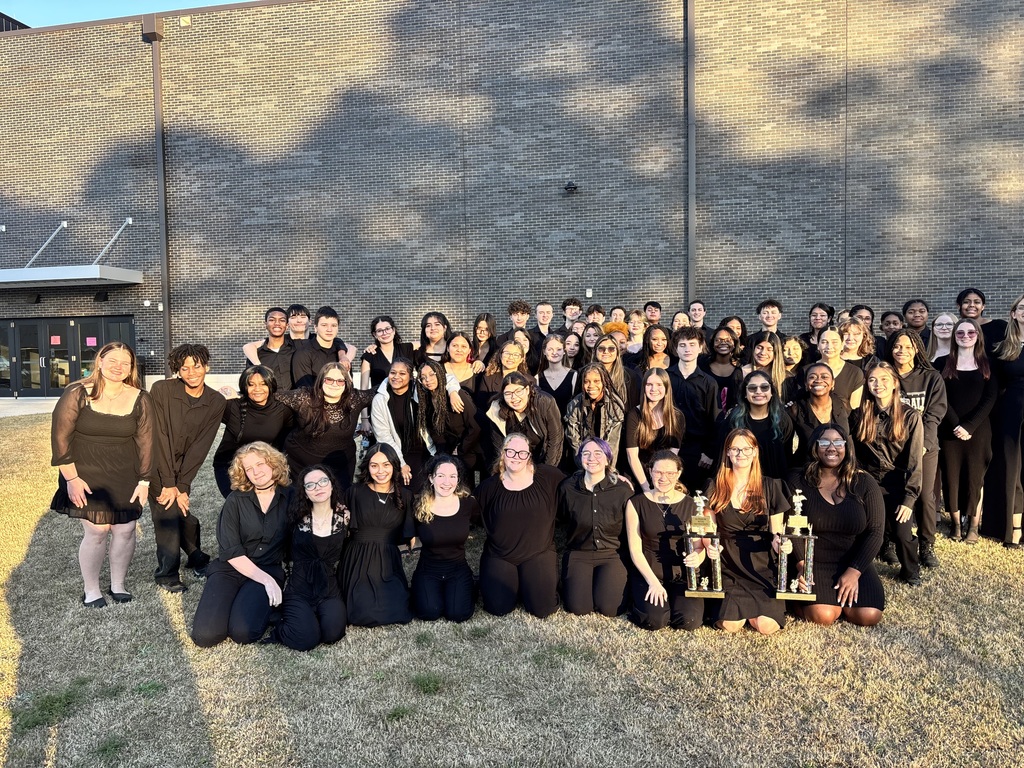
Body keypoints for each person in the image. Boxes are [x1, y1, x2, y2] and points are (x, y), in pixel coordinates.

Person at [50, 342, 153, 607]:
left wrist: (144, 481)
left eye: (125, 363)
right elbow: (60, 439)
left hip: (124, 473)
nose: (119, 367)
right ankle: (91, 589)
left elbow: (147, 441)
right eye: (113, 361)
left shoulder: (141, 398)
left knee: (126, 529)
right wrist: (72, 479)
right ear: (100, 362)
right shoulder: (77, 392)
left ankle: (118, 584)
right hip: (85, 473)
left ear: (131, 368)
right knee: (97, 530)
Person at [191, 442, 291, 647]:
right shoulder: (235, 500)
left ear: (273, 463)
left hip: (268, 566)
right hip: (231, 568)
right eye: (249, 468)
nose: (256, 472)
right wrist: (267, 581)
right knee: (205, 636)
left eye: (260, 464)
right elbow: (231, 551)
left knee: (243, 633)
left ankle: (261, 607)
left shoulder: (291, 497)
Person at [786, 425, 885, 627]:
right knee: (823, 615)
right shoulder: (798, 479)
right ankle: (797, 601)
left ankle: (844, 593)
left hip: (853, 561)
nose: (832, 447)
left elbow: (875, 532)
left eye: (838, 442)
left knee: (869, 615)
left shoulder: (864, 482)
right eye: (824, 442)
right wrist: (802, 566)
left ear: (847, 447)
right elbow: (790, 528)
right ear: (815, 447)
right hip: (814, 562)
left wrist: (854, 572)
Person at [150, 344, 226, 592]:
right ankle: (167, 574)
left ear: (207, 367)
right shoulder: (161, 390)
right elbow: (159, 436)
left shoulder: (215, 401)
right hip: (155, 461)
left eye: (197, 366)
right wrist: (169, 483)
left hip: (182, 465)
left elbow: (201, 446)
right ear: (177, 370)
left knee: (182, 512)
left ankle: (196, 556)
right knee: (168, 513)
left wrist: (182, 485)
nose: (191, 372)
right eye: (185, 368)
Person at [707, 428, 791, 635]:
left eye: (746, 449)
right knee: (730, 625)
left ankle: (755, 610)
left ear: (755, 452)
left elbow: (776, 531)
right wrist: (710, 546)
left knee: (766, 626)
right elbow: (709, 530)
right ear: (727, 452)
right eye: (735, 449)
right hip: (728, 563)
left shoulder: (771, 486)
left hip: (761, 564)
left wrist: (780, 543)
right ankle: (739, 610)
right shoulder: (714, 486)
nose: (741, 454)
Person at [850, 362, 925, 586]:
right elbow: (851, 449)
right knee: (862, 526)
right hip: (868, 481)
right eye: (872, 380)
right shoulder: (859, 415)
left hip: (897, 483)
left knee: (902, 533)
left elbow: (915, 461)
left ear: (894, 383)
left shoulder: (910, 416)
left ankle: (910, 571)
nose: (878, 384)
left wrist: (909, 499)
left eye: (884, 379)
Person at [474, 433, 563, 617]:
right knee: (498, 607)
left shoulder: (548, 476)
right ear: (503, 454)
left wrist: (613, 477)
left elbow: (578, 484)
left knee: (542, 609)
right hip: (500, 555)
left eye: (522, 452)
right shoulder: (489, 487)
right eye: (511, 452)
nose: (516, 457)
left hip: (538, 553)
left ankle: (530, 584)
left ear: (529, 455)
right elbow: (468, 509)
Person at [624, 451, 708, 630]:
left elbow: (699, 545)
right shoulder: (636, 503)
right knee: (655, 620)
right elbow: (635, 550)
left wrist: (697, 557)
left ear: (678, 473)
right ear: (650, 472)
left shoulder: (693, 505)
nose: (663, 478)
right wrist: (653, 582)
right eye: (658, 472)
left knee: (689, 620)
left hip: (683, 576)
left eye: (670, 473)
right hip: (649, 573)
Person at [884, 330, 947, 568]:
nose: (902, 351)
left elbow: (934, 414)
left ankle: (926, 543)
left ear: (917, 349)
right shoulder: (885, 375)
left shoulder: (931, 377)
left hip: (923, 447)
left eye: (908, 347)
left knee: (924, 495)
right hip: (891, 447)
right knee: (891, 492)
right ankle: (889, 542)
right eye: (897, 346)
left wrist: (923, 445)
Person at [269, 465, 349, 651]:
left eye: (323, 481)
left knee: (332, 634)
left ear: (331, 485)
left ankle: (312, 617)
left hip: (329, 588)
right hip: (299, 588)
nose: (318, 487)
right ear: (304, 493)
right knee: (306, 640)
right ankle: (282, 621)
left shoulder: (344, 517)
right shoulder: (296, 517)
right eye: (310, 485)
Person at [337, 443, 415, 626]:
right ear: (367, 467)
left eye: (386, 465)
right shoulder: (354, 492)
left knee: (397, 610)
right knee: (361, 613)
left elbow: (410, 536)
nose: (380, 471)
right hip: (357, 559)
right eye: (374, 465)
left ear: (394, 465)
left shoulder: (405, 495)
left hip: (388, 561)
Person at [935, 318, 996, 542]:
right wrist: (956, 425)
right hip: (949, 430)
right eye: (960, 333)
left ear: (978, 336)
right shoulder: (942, 363)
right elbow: (941, 397)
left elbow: (990, 398)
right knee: (951, 478)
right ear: (954, 336)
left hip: (978, 431)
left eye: (971, 332)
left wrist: (969, 426)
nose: (966, 336)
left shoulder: (988, 363)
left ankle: (973, 525)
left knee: (975, 479)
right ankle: (956, 524)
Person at [558, 438, 633, 617]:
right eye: (586, 453)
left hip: (612, 554)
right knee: (578, 608)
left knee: (610, 608)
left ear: (607, 460)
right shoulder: (568, 487)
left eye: (598, 453)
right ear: (580, 459)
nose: (592, 458)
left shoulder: (622, 490)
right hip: (579, 553)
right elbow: (560, 518)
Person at [277, 363, 375, 489]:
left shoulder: (354, 399)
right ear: (321, 380)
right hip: (301, 464)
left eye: (340, 381)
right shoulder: (304, 397)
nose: (334, 384)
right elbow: (272, 395)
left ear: (346, 383)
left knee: (339, 499)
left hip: (340, 467)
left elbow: (381, 389)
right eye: (329, 380)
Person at [412, 455, 480, 622]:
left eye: (452, 476)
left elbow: (486, 521)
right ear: (431, 478)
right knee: (429, 612)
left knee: (458, 614)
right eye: (441, 476)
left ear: (458, 479)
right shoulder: (419, 506)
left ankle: (468, 585)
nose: (446, 482)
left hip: (457, 568)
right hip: (428, 569)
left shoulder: (467, 504)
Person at [212, 365, 293, 497]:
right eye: (251, 385)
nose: (257, 389)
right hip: (230, 467)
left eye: (263, 384)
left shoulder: (283, 410)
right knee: (240, 504)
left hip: (263, 467)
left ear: (270, 385)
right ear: (245, 387)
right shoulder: (232, 407)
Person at [668, 327, 720, 492]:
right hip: (667, 446)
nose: (687, 349)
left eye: (692, 344)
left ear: (700, 347)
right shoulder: (665, 378)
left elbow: (715, 420)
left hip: (698, 451)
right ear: (676, 349)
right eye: (682, 345)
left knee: (696, 497)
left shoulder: (709, 383)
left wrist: (709, 452)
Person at [718, 371, 794, 479]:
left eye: (764, 387)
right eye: (752, 388)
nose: (758, 391)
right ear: (745, 393)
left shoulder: (783, 420)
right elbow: (723, 453)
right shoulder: (733, 420)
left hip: (774, 481)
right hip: (740, 480)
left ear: (772, 392)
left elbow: (787, 456)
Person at [992, 293, 1024, 548]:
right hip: (1010, 412)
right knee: (1012, 469)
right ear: (1013, 313)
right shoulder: (1003, 346)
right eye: (1022, 308)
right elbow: (995, 385)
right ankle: (1014, 528)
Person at [370, 358, 431, 491]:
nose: (396, 377)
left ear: (411, 376)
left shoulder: (421, 393)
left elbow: (446, 380)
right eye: (393, 372)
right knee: (401, 490)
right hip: (396, 451)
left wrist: (453, 391)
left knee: (424, 489)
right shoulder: (380, 400)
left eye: (402, 373)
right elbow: (383, 436)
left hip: (424, 451)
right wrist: (401, 463)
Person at [417, 359, 480, 477]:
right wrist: (442, 455)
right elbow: (436, 432)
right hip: (450, 450)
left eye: (431, 374)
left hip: (471, 447)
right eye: (423, 378)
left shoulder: (457, 395)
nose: (428, 380)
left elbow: (475, 427)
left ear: (440, 374)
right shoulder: (426, 401)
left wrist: (460, 450)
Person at [484, 372, 563, 467]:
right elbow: (499, 447)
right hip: (514, 462)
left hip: (542, 458)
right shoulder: (497, 409)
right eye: (508, 393)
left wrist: (547, 469)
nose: (514, 397)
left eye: (518, 391)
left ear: (527, 390)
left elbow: (555, 438)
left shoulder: (544, 402)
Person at [624, 368, 684, 492]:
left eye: (659, 385)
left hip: (664, 475)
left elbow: (672, 455)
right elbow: (632, 456)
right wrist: (647, 488)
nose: (653, 389)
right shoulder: (634, 415)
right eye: (649, 384)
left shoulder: (677, 416)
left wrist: (661, 483)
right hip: (638, 476)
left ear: (666, 387)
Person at [789, 362, 850, 466]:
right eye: (812, 377)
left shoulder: (844, 405)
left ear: (833, 383)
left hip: (840, 468)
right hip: (806, 468)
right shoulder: (794, 410)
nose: (818, 380)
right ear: (806, 384)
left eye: (824, 377)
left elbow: (849, 442)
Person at [564, 364, 627, 465]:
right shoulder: (574, 405)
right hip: (582, 461)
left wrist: (606, 468)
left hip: (607, 462)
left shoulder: (615, 405)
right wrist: (584, 465)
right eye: (586, 382)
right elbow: (574, 440)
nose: (591, 385)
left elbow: (613, 442)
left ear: (604, 382)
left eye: (596, 381)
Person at [291, 306, 356, 387]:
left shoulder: (342, 356)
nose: (329, 329)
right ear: (315, 328)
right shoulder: (303, 353)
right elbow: (304, 389)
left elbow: (349, 386)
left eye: (334, 325)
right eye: (324, 325)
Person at [241, 307, 298, 389]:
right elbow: (250, 382)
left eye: (282, 320)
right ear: (266, 324)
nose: (277, 323)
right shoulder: (256, 354)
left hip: (294, 396)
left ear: (287, 325)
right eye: (272, 320)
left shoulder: (296, 349)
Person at [360, 315, 414, 390]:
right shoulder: (369, 356)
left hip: (407, 396)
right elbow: (364, 388)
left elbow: (427, 343)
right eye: (379, 331)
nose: (384, 333)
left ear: (393, 330)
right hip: (380, 396)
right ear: (375, 335)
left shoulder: (406, 348)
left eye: (387, 329)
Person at [818, 328, 864, 411]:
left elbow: (854, 409)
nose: (829, 346)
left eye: (834, 342)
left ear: (842, 344)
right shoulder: (807, 371)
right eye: (824, 342)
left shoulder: (855, 373)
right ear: (818, 345)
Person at [741, 330, 793, 403]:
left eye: (769, 349)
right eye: (759, 348)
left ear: (776, 352)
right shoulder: (741, 373)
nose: (763, 353)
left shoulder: (786, 377)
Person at [700, 326, 743, 412]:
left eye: (728, 340)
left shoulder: (740, 369)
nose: (723, 343)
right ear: (712, 344)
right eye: (718, 340)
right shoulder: (702, 365)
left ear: (734, 344)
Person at [536, 334, 579, 417]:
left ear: (564, 351)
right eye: (550, 349)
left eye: (559, 349)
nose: (554, 353)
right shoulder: (538, 378)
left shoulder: (573, 375)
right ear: (544, 351)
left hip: (567, 423)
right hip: (546, 424)